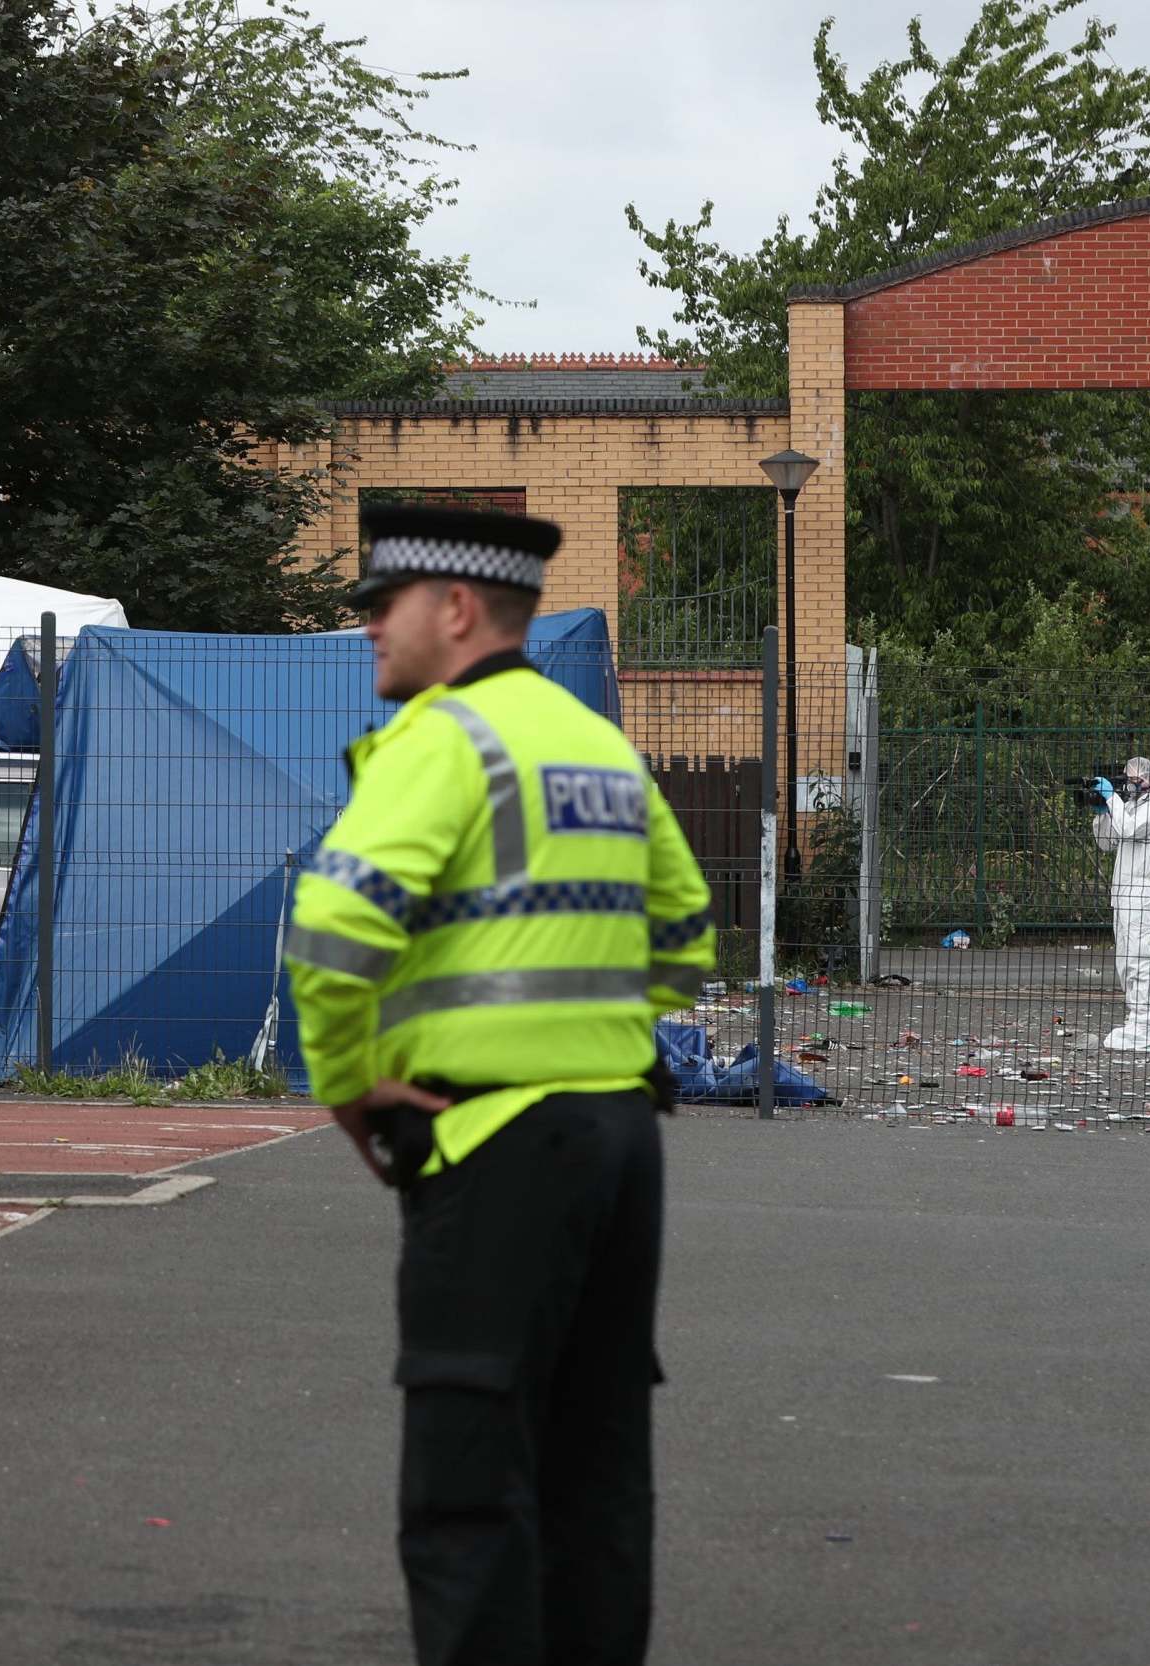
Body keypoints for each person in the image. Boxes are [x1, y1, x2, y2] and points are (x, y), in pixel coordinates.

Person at [285, 503, 715, 1666]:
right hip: (624, 1143)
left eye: (384, 604)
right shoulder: (595, 745)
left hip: (491, 1146)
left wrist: (352, 1084)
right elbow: (684, 934)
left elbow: (330, 929)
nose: (369, 626)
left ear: (457, 609)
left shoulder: (444, 737)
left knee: (469, 1489)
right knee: (597, 1479)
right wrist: (582, 1028)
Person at [1091, 756, 1150, 1052]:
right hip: (1123, 892)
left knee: (1138, 958)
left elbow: (1128, 830)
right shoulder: (1131, 808)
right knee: (1125, 960)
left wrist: (1113, 799)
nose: (1129, 783)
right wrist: (1102, 812)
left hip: (1142, 890)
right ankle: (1135, 1017)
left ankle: (1144, 1024)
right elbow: (1107, 841)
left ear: (1147, 778)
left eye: (1133, 778)